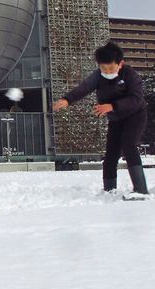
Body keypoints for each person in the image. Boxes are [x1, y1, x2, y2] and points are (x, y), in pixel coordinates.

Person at [52, 41, 149, 200]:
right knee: (110, 154)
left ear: (120, 63)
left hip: (135, 116)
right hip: (116, 119)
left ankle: (141, 190)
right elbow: (84, 87)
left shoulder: (130, 75)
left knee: (129, 145)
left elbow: (137, 99)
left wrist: (112, 106)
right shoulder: (98, 76)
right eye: (103, 68)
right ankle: (109, 190)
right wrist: (67, 100)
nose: (107, 71)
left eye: (111, 68)